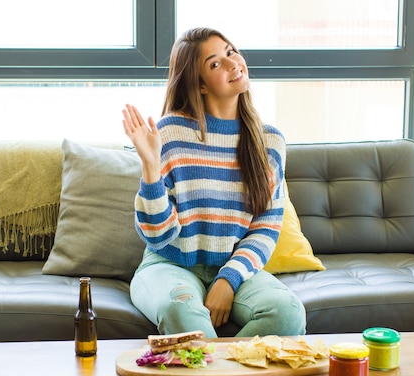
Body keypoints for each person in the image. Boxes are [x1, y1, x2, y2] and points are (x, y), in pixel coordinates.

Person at [122, 27, 306, 338]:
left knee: (287, 313)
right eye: (215, 63)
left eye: (230, 52)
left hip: (236, 266)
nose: (233, 63)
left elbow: (266, 226)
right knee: (179, 310)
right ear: (200, 85)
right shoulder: (169, 134)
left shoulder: (270, 142)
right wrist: (151, 166)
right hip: (169, 266)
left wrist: (228, 279)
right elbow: (158, 237)